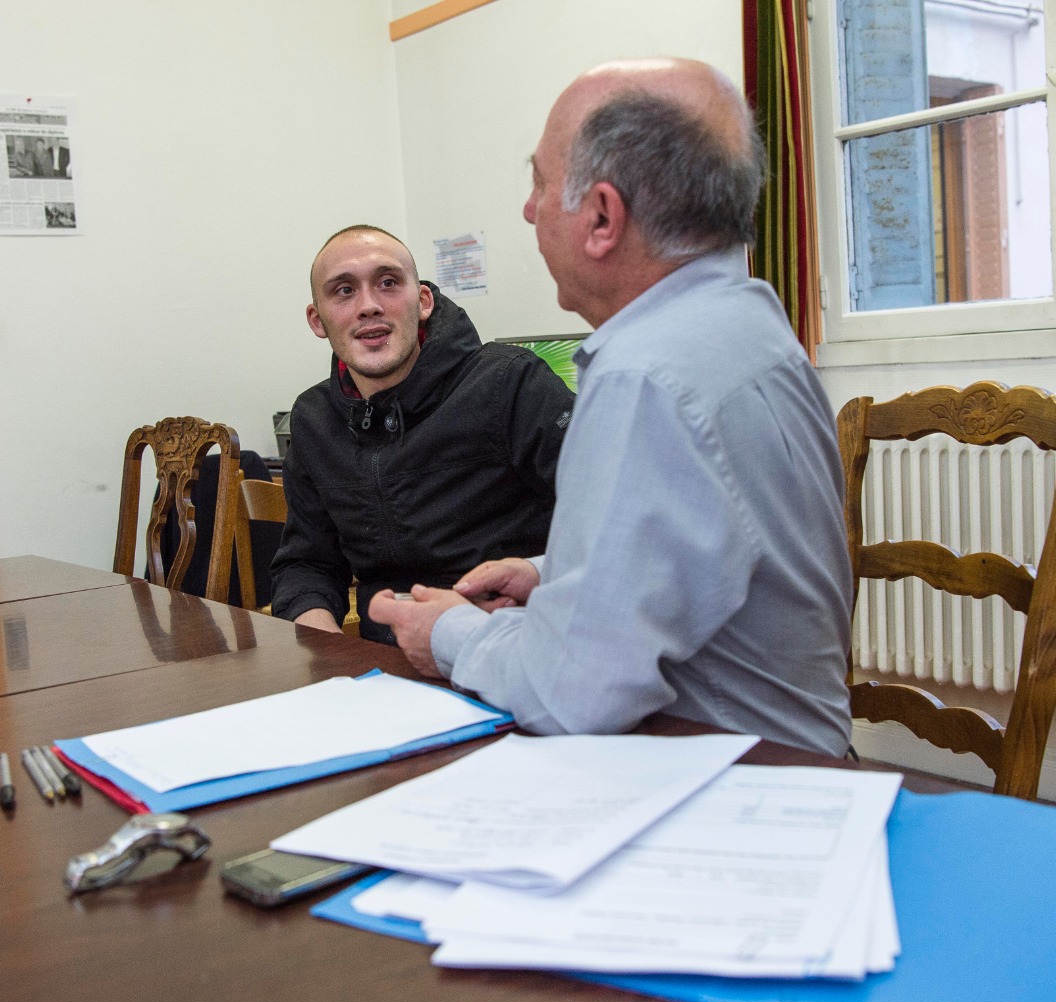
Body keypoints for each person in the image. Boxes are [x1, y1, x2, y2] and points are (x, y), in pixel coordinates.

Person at [369, 60, 854, 756]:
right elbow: (717, 546)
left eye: (538, 183)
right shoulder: (749, 323)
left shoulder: (644, 375)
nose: (529, 209)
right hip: (803, 759)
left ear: (600, 218)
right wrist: (556, 570)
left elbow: (569, 695)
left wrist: (447, 633)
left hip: (729, 784)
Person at [270, 225, 576, 647]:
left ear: (424, 300)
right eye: (343, 291)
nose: (369, 306)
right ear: (317, 319)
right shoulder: (314, 419)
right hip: (387, 666)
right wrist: (326, 647)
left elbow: (615, 522)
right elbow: (309, 562)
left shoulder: (511, 383)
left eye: (389, 283)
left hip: (514, 645)